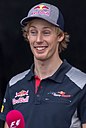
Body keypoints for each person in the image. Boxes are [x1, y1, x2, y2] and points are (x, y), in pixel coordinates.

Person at [0, 2, 86, 128]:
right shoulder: (14, 85)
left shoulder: (81, 84)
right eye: (33, 32)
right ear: (27, 36)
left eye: (46, 32)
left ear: (60, 36)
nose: (39, 39)